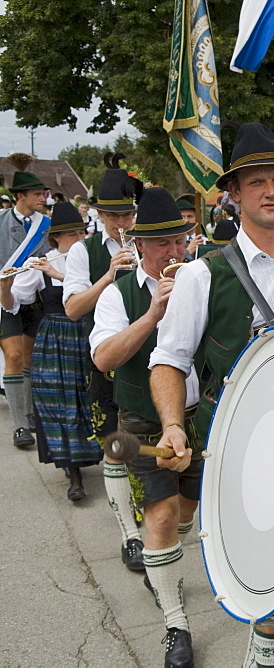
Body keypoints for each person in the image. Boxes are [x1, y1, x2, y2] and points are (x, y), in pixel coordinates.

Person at [149, 121, 274, 668]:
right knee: (270, 588)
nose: (272, 191)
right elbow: (167, 361)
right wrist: (173, 425)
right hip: (238, 450)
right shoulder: (201, 274)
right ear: (234, 195)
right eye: (258, 181)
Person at [90, 186, 198, 668]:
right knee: (160, 514)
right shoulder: (118, 293)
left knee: (188, 512)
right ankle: (176, 625)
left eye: (180, 241)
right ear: (138, 247)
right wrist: (154, 313)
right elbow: (104, 357)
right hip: (141, 418)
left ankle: (165, 568)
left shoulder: (204, 279)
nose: (174, 253)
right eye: (162, 244)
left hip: (200, 414)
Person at [62, 153, 145, 573]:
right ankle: (129, 536)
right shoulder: (83, 251)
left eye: (128, 214)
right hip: (106, 361)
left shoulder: (148, 236)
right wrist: (108, 277)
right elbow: (74, 309)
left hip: (149, 359)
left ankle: (154, 527)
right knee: (116, 449)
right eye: (114, 215)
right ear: (98, 213)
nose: (122, 223)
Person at [0, 202, 96, 499]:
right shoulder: (41, 262)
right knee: (60, 402)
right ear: (56, 238)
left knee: (89, 398)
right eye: (71, 234)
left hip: (88, 333)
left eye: (81, 231)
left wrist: (60, 274)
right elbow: (12, 304)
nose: (79, 238)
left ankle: (103, 458)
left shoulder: (92, 259)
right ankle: (74, 473)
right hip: (55, 336)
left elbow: (97, 291)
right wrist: (5, 285)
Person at [0, 153, 49, 450]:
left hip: (36, 299)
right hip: (5, 298)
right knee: (14, 357)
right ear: (21, 196)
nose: (43, 198)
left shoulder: (47, 225)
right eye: (36, 194)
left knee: (29, 358)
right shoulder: (1, 222)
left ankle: (29, 414)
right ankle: (19, 425)